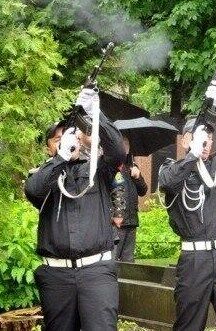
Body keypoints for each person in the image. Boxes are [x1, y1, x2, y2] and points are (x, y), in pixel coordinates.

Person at [24, 88, 125, 331]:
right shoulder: (42, 175)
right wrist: (60, 158)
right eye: (57, 139)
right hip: (56, 277)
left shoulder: (97, 170)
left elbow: (118, 151)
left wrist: (95, 113)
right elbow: (34, 191)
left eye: (69, 136)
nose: (66, 142)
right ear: (49, 148)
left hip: (96, 273)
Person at [158, 80, 216, 330]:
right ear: (186, 139)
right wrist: (191, 156)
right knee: (189, 325)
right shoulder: (171, 168)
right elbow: (168, 183)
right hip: (195, 258)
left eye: (210, 136)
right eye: (201, 136)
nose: (207, 141)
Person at [114, 136, 148, 262]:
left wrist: (138, 176)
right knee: (114, 260)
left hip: (132, 221)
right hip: (116, 223)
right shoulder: (111, 166)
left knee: (128, 261)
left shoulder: (133, 166)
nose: (125, 146)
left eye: (127, 143)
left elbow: (143, 191)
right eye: (122, 143)